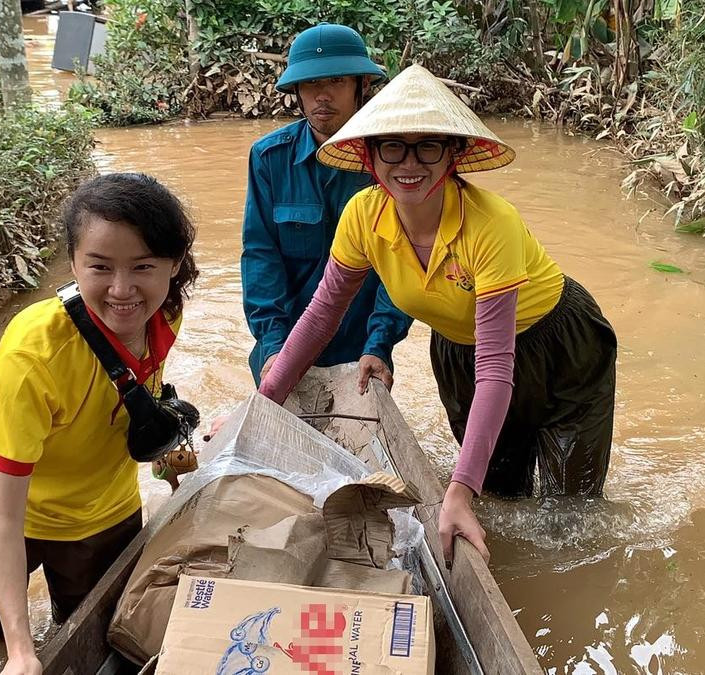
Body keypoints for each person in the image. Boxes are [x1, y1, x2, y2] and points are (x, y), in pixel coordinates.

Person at [258, 65, 617, 564]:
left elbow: (496, 365)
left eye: (429, 146)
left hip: (560, 345)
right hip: (458, 346)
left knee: (568, 515)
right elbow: (322, 317)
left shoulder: (491, 223)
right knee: (500, 492)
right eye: (392, 147)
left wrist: (456, 490)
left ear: (453, 156)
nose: (410, 163)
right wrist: (264, 401)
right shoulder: (363, 216)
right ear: (369, 156)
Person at [0, 173, 199, 675]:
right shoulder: (35, 352)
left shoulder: (167, 312)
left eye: (143, 266)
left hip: (100, 515)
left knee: (94, 643)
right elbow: (4, 518)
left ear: (173, 264)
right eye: (100, 267)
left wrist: (169, 454)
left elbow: (142, 388)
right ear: (73, 264)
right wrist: (18, 652)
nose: (122, 291)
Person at [242, 23, 411, 392]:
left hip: (361, 350)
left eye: (335, 81)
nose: (322, 96)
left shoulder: (396, 162)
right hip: (284, 343)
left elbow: (402, 266)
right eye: (310, 84)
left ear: (361, 86)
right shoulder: (269, 158)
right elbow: (260, 257)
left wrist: (379, 344)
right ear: (297, 92)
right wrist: (273, 346)